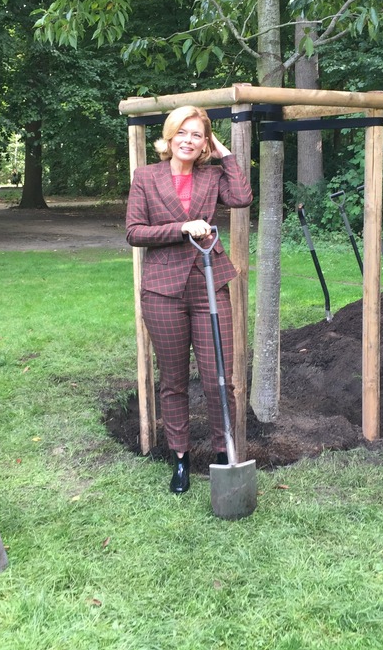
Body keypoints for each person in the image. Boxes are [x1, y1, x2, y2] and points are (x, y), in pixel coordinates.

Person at [125, 105, 253, 494]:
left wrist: (224, 152)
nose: (188, 140)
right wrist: (181, 228)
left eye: (197, 135)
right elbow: (134, 232)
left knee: (220, 379)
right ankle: (179, 458)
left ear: (205, 143)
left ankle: (222, 453)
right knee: (175, 381)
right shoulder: (145, 177)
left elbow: (243, 197)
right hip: (163, 290)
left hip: (208, 284)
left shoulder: (212, 176)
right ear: (169, 136)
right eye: (182, 132)